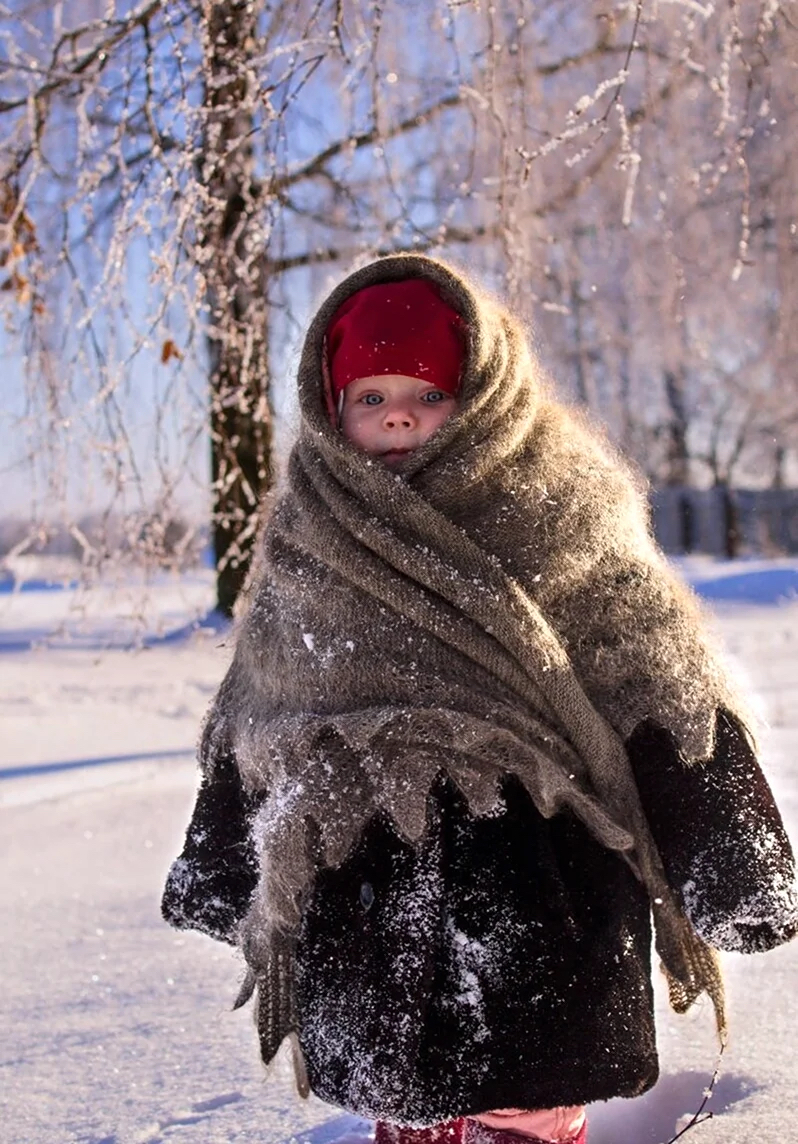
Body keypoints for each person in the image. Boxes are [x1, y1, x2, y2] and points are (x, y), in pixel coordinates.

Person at [162, 256, 798, 1144]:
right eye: (369, 394)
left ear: (481, 390)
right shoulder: (312, 525)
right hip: (366, 875)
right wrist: (221, 857)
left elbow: (655, 672)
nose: (395, 413)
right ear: (330, 403)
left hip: (539, 868)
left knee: (527, 1103)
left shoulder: (557, 503)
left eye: (425, 392)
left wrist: (728, 847)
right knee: (407, 1105)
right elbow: (268, 704)